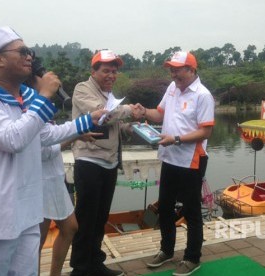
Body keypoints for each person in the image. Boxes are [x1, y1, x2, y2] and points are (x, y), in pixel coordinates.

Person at [0, 26, 105, 275]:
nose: (29, 57)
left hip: (27, 212)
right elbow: (13, 139)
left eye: (30, 51)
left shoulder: (25, 96)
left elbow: (44, 135)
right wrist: (44, 95)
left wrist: (88, 120)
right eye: (22, 51)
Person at [134, 52, 215, 276]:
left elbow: (206, 131)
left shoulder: (202, 95)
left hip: (192, 159)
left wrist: (177, 139)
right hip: (169, 157)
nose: (173, 73)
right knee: (166, 207)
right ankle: (167, 250)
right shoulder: (171, 88)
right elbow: (159, 115)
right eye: (171, 69)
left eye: (178, 69)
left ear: (191, 70)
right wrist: (144, 112)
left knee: (191, 210)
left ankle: (192, 257)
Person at [70, 50, 139, 276]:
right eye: (106, 71)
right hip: (89, 160)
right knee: (86, 217)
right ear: (94, 71)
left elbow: (112, 126)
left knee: (100, 217)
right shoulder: (82, 89)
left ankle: (95, 264)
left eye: (114, 71)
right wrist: (130, 110)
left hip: (109, 163)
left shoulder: (108, 94)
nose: (111, 75)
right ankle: (80, 268)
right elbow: (103, 116)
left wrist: (131, 128)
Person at [38, 138, 77, 276]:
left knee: (70, 227)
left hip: (55, 179)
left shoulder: (46, 119)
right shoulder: (28, 116)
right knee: (38, 238)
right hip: (40, 180)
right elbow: (42, 152)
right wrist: (75, 135)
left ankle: (55, 274)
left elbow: (54, 135)